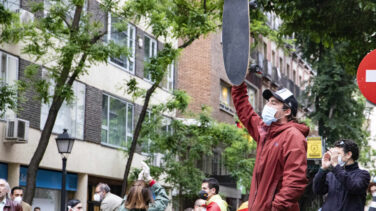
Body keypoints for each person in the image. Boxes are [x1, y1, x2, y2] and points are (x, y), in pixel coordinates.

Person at [232, 83, 309, 210]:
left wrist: (276, 208)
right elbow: (245, 111)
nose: (267, 106)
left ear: (287, 111)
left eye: (273, 103)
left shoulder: (293, 137)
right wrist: (238, 83)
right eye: (268, 102)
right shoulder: (266, 132)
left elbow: (294, 182)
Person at [313, 139, 370, 211]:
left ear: (348, 154)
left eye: (338, 154)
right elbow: (317, 190)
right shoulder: (331, 175)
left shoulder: (363, 174)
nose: (334, 157)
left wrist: (336, 165)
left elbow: (354, 187)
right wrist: (323, 169)